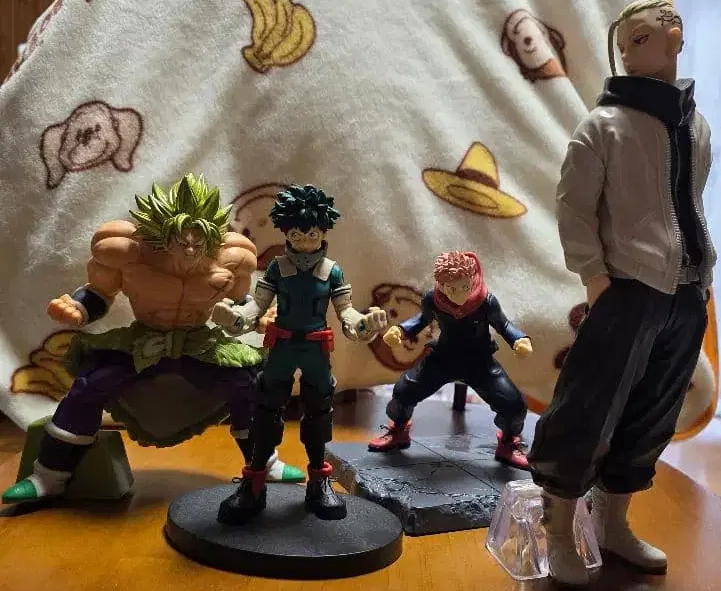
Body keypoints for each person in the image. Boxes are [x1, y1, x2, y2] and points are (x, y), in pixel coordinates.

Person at [0, 0, 716, 453]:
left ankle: (308, 461)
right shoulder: (214, 260)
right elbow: (235, 303)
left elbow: (392, 314)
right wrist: (122, 306)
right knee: (208, 390)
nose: (305, 239)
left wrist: (374, 325)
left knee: (331, 402)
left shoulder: (356, 279)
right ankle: (120, 463)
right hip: (235, 352)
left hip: (359, 358)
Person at [527, 0, 714, 590]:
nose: (629, 53)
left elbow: (692, 201)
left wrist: (700, 277)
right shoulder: (603, 125)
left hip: (685, 289)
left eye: (640, 39)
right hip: (629, 286)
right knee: (588, 406)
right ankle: (559, 528)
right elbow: (573, 206)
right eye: (625, 43)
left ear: (674, 38)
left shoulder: (695, 124)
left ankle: (613, 522)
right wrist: (595, 276)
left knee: (655, 409)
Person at [2, 173, 303, 507]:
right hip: (142, 342)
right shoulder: (127, 252)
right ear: (159, 232)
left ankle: (265, 464)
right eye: (180, 239)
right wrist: (77, 309)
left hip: (198, 345)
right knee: (89, 384)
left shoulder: (232, 257)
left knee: (247, 384)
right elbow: (99, 294)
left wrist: (260, 317)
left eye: (198, 239)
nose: (190, 249)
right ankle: (49, 476)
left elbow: (241, 304)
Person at [213, 185, 387, 523]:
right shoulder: (277, 268)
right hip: (282, 347)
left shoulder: (332, 271)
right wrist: (235, 318)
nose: (305, 241)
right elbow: (257, 307)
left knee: (319, 412)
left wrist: (364, 323)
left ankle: (319, 482)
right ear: (286, 233)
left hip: (315, 348)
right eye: (296, 234)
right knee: (266, 410)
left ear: (323, 232)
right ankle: (254, 483)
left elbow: (346, 312)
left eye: (311, 234)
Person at [369, 251, 533, 469]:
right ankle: (398, 431)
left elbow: (503, 325)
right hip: (443, 358)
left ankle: (508, 442)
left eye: (465, 286)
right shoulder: (434, 300)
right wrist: (400, 331)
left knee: (514, 404)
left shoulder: (486, 301)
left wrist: (519, 339)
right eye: (452, 289)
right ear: (441, 284)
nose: (460, 295)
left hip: (479, 361)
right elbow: (421, 320)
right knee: (403, 391)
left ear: (473, 280)